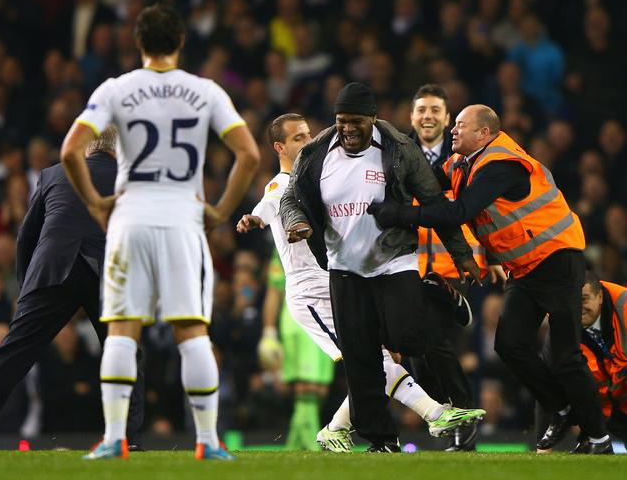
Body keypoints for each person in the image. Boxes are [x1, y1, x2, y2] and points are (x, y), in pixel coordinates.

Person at [60, 4, 260, 461]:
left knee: (121, 330)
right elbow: (247, 154)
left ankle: (114, 438)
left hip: (130, 216)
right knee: (191, 329)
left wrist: (95, 202)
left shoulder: (117, 88)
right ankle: (207, 441)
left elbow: (71, 149)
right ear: (182, 42)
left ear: (138, 42)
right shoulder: (204, 90)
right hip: (182, 218)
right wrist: (220, 210)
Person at [368, 104, 612, 454]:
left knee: (565, 355)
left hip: (558, 259)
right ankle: (560, 408)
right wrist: (384, 179)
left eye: (461, 126)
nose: (453, 130)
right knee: (509, 345)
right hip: (525, 268)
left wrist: (401, 213)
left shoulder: (502, 165)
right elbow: (426, 182)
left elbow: (458, 211)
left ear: (484, 134)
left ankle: (598, 437)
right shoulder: (462, 164)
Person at [239, 113, 485, 452]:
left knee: (376, 361)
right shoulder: (282, 184)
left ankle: (335, 429)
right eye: (298, 138)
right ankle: (434, 412)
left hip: (342, 281)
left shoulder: (320, 175)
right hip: (311, 294)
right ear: (279, 147)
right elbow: (269, 206)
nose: (308, 141)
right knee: (373, 361)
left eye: (308, 134)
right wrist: (252, 218)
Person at [0, 128, 144, 449]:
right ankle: (127, 439)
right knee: (126, 352)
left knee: (12, 354)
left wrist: (27, 288)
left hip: (52, 269)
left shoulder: (54, 174)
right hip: (106, 274)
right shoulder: (133, 181)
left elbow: (26, 235)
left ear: (86, 148)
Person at [408, 84, 508, 451]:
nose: (428, 115)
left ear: (448, 119)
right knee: (419, 356)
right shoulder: (398, 158)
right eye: (422, 109)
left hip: (454, 269)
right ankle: (448, 414)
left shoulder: (463, 156)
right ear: (412, 117)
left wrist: (493, 255)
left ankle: (463, 420)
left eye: (436, 109)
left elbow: (484, 210)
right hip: (410, 270)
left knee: (434, 339)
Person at [262, 251, 334, 451]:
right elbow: (274, 292)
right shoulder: (283, 250)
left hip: (325, 318)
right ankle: (312, 445)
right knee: (306, 386)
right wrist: (269, 332)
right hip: (302, 321)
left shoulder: (329, 243)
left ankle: (295, 446)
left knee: (319, 389)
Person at [574, 271, 627, 450]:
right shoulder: (563, 321)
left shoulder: (624, 306)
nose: (578, 306)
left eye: (584, 299)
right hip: (611, 410)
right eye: (573, 300)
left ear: (600, 297)